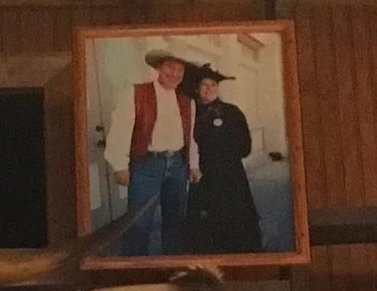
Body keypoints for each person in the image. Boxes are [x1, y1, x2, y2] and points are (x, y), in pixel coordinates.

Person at [103, 39, 199, 257]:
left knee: (174, 221)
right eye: (169, 68)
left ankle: (171, 269)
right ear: (158, 68)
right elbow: (120, 129)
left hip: (177, 166)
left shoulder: (187, 101)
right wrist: (120, 164)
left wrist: (193, 165)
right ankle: (134, 274)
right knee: (138, 223)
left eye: (179, 70)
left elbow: (190, 136)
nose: (174, 74)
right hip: (146, 165)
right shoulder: (137, 93)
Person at [183, 64, 262, 256]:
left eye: (213, 85)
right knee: (203, 219)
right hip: (201, 175)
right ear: (197, 88)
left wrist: (223, 154)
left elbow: (245, 146)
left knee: (235, 216)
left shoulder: (231, 112)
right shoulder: (189, 113)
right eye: (204, 85)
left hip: (230, 175)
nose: (209, 89)